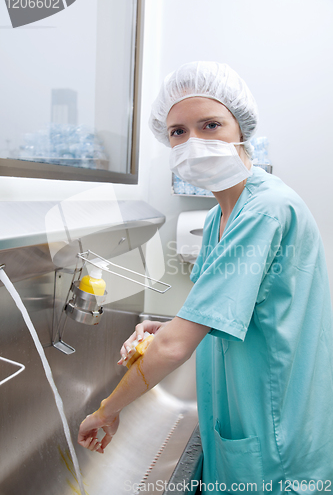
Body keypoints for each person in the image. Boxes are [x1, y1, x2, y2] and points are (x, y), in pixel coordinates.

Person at [78, 62, 333, 494]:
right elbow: (218, 310)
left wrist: (106, 410)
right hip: (244, 412)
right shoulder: (220, 217)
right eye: (178, 131)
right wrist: (164, 326)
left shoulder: (263, 211)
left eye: (210, 125)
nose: (193, 142)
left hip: (273, 429)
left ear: (241, 128)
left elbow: (178, 346)